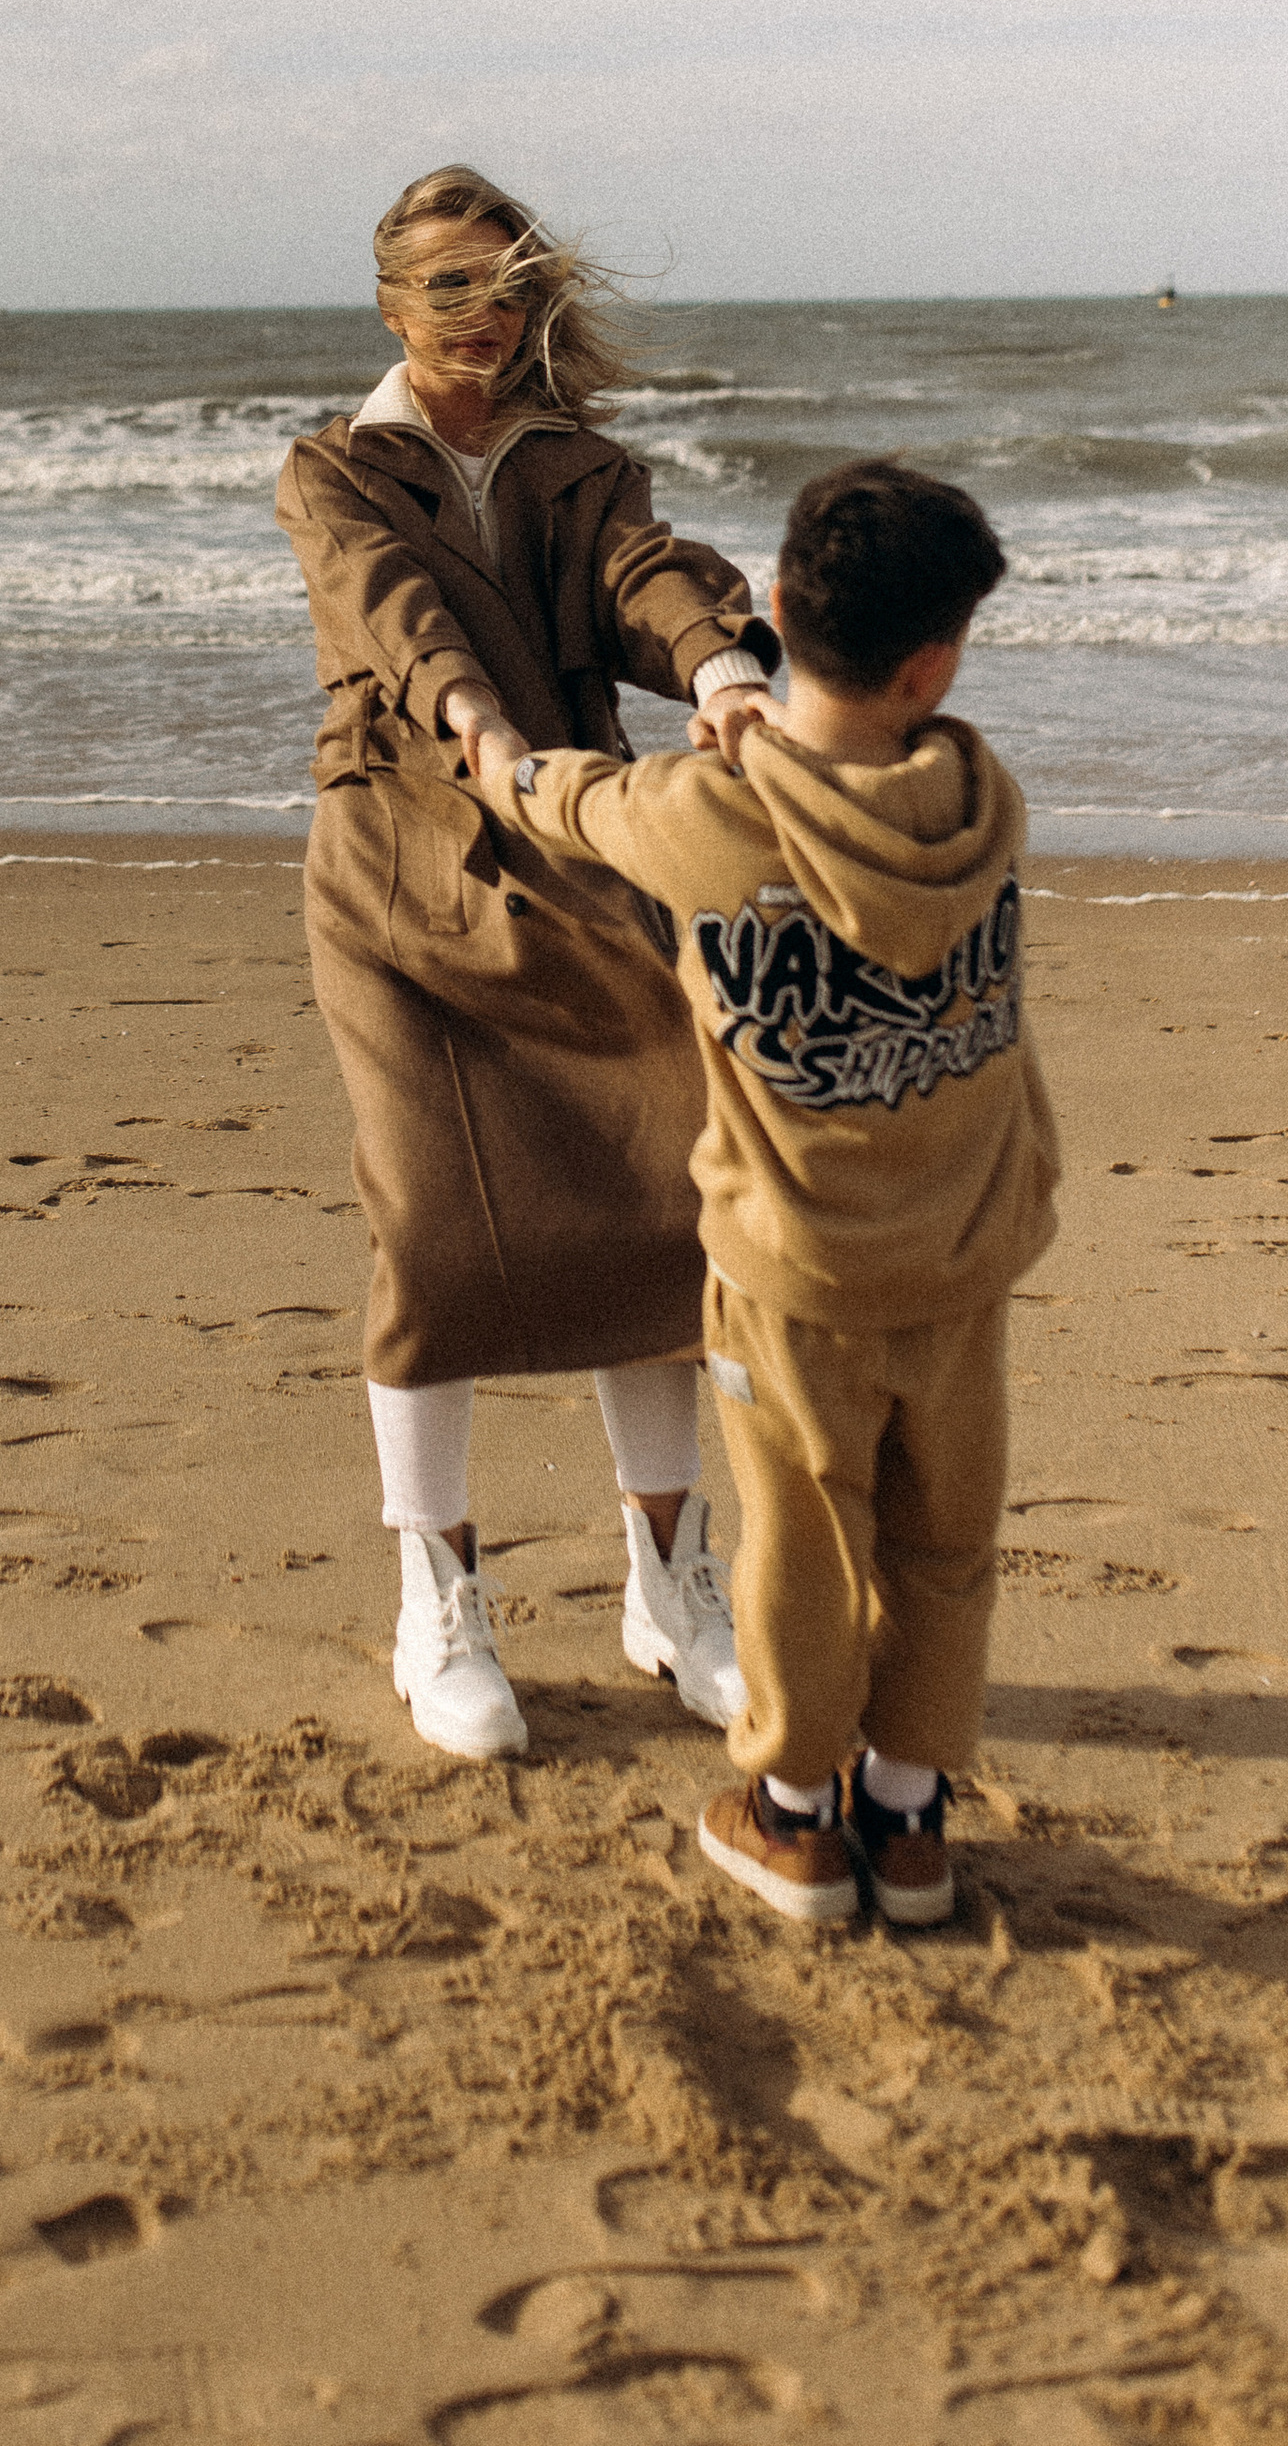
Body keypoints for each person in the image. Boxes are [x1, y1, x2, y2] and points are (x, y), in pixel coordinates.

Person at [470, 458, 1061, 1925]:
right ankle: (912, 1823)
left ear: (780, 607)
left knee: (804, 1542)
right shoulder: (983, 807)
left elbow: (563, 801)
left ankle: (796, 1813)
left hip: (792, 1275)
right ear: (939, 660)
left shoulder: (702, 819)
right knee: (945, 1540)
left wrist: (485, 744)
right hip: (960, 1258)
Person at [276, 165, 781, 1764]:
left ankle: (668, 1588)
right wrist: (472, 720)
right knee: (434, 1229)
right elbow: (391, 608)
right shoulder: (336, 467)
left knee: (657, 1203)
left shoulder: (579, 466)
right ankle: (439, 1600)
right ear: (387, 306)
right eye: (446, 291)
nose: (483, 317)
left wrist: (723, 670)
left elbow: (649, 578)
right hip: (403, 858)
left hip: (577, 837)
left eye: (508, 286)